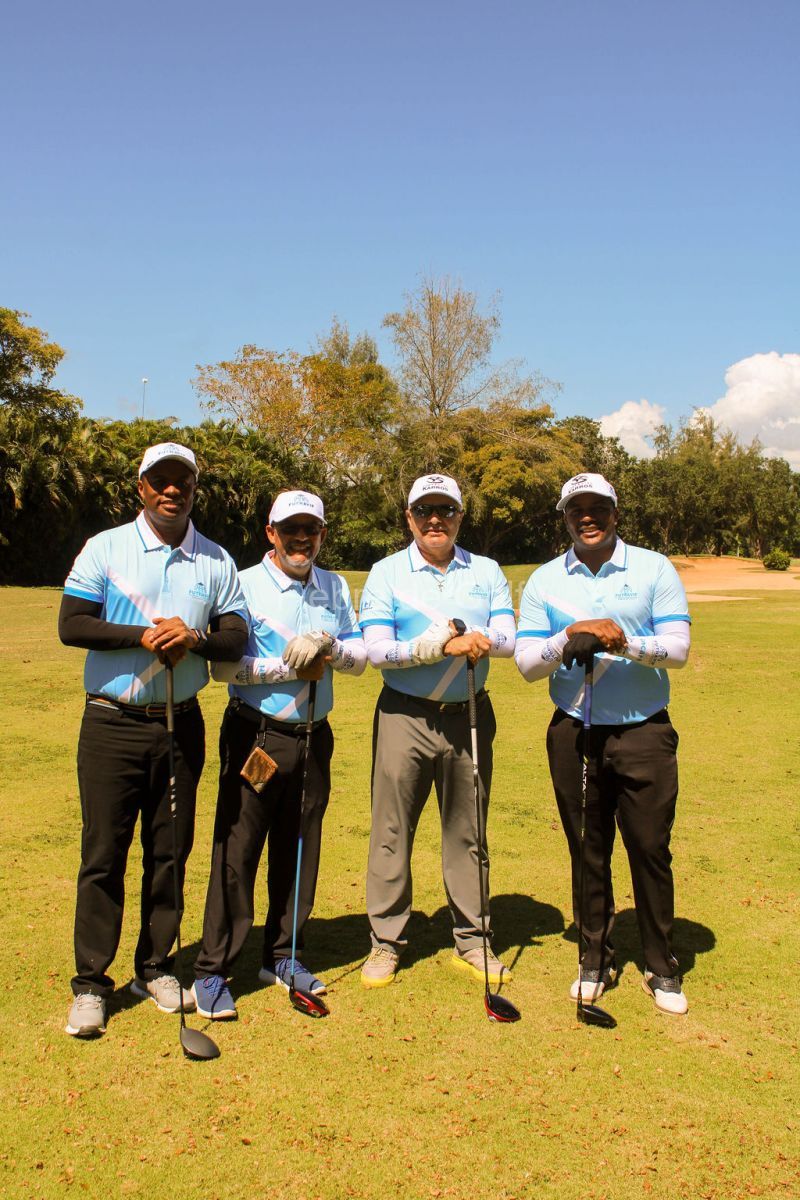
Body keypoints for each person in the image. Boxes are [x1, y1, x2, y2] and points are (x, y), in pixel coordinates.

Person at [59, 442, 248, 1038]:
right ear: (141, 487)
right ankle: (92, 984)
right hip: (111, 722)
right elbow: (72, 623)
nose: (172, 490)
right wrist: (143, 635)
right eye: (160, 480)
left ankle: (157, 967)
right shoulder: (106, 547)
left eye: (182, 482)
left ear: (194, 489)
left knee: (170, 851)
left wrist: (194, 638)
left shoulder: (214, 559)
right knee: (104, 855)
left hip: (180, 724)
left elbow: (236, 635)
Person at [515, 472, 692, 1014]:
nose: (586, 517)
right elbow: (527, 664)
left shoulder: (653, 568)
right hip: (575, 730)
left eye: (597, 508)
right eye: (576, 510)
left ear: (615, 513)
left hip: (644, 730)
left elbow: (679, 649)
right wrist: (569, 636)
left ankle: (661, 965)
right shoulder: (545, 579)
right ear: (565, 518)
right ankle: (594, 958)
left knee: (649, 848)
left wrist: (623, 640)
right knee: (588, 847)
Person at [191, 489, 366, 1019]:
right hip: (257, 736)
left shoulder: (334, 586)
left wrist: (330, 646)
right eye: (290, 529)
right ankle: (213, 968)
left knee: (300, 848)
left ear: (322, 534)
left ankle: (283, 954)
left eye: (311, 529)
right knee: (238, 851)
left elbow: (359, 657)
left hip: (314, 737)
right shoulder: (243, 585)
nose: (301, 538)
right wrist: (288, 667)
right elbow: (223, 669)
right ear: (271, 532)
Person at [358, 473, 516, 988]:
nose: (435, 520)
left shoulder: (486, 570)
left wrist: (475, 637)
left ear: (459, 517)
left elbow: (509, 638)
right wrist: (437, 646)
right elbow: (377, 650)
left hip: (468, 712)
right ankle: (386, 941)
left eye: (445, 510)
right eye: (424, 510)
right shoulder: (386, 572)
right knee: (391, 831)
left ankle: (473, 939)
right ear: (409, 517)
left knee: (468, 832)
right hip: (404, 715)